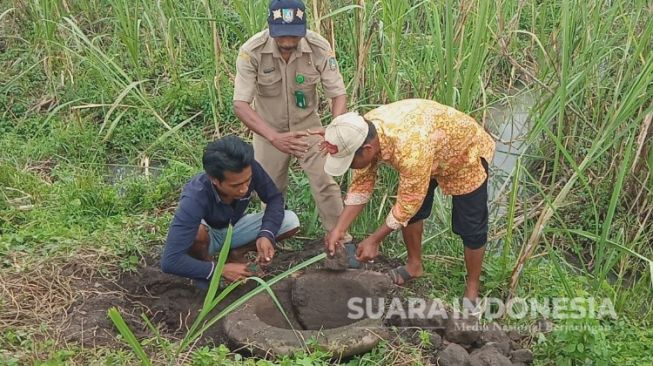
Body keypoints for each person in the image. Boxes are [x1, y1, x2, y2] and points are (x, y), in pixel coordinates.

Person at [321, 99, 495, 301]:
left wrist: (375, 240)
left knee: (471, 226)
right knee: (414, 214)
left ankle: (472, 288)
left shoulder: (409, 148)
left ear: (368, 149)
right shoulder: (359, 131)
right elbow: (361, 186)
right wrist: (339, 229)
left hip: (463, 153)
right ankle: (414, 266)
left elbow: (407, 204)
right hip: (429, 146)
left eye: (349, 162)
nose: (350, 167)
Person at [233, 0, 349, 239]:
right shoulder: (251, 51)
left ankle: (340, 240)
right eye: (282, 42)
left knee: (326, 183)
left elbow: (338, 93)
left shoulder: (318, 47)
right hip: (269, 131)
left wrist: (333, 130)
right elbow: (241, 104)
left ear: (303, 30)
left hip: (309, 129)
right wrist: (274, 138)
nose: (288, 47)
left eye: (293, 41)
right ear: (270, 28)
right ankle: (271, 239)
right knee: (270, 190)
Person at [161, 136, 300, 286]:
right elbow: (170, 261)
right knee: (197, 232)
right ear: (214, 179)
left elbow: (274, 198)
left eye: (248, 181)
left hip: (233, 227)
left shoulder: (248, 168)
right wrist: (219, 269)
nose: (245, 189)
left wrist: (266, 234)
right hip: (208, 237)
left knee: (290, 221)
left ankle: (236, 254)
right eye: (236, 185)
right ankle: (207, 270)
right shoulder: (194, 197)